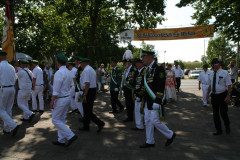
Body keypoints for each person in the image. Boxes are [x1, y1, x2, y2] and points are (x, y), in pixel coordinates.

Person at [140, 50, 176, 148]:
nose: (142, 59)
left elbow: (160, 86)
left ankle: (170, 134)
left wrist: (158, 101)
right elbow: (146, 85)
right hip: (148, 100)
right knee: (147, 121)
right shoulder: (147, 69)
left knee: (155, 120)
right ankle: (150, 141)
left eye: (143, 57)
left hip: (155, 100)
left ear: (149, 57)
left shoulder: (158, 68)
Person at [50, 53, 78, 147]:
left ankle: (70, 135)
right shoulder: (68, 72)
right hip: (66, 98)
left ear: (57, 62)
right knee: (61, 119)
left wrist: (52, 101)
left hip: (61, 99)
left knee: (55, 119)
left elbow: (56, 90)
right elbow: (72, 85)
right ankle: (61, 139)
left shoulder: (59, 73)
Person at [79, 57, 105, 132]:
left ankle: (100, 123)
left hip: (88, 91)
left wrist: (85, 95)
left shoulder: (86, 70)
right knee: (87, 110)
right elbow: (94, 83)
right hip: (92, 90)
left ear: (83, 63)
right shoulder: (91, 70)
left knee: (87, 111)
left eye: (81, 63)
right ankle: (86, 126)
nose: (80, 65)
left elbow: (87, 83)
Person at [207, 58, 232, 136]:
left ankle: (227, 124)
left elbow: (229, 85)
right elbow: (210, 85)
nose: (216, 66)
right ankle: (218, 129)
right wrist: (207, 94)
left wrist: (228, 96)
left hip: (222, 95)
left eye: (218, 64)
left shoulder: (224, 73)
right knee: (215, 114)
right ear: (212, 66)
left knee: (223, 112)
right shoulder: (210, 74)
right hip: (214, 95)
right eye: (215, 65)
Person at [0, 51, 19, 136]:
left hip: (4, 89)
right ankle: (6, 129)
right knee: (8, 109)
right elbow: (16, 78)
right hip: (12, 88)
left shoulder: (0, 66)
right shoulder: (11, 67)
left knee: (1, 110)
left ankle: (13, 125)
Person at [122, 50, 136, 122]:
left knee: (130, 104)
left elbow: (132, 81)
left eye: (124, 62)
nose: (124, 64)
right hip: (126, 89)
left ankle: (130, 117)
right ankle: (129, 117)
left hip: (131, 90)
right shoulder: (126, 70)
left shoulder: (133, 69)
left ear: (128, 62)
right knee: (128, 104)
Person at [132, 58, 145, 131]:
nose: (136, 64)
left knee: (145, 111)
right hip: (136, 94)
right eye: (136, 63)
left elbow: (144, 84)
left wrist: (140, 95)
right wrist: (135, 93)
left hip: (143, 95)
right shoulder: (136, 72)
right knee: (137, 110)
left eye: (138, 63)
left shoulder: (145, 71)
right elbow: (134, 83)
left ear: (142, 63)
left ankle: (151, 125)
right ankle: (139, 125)